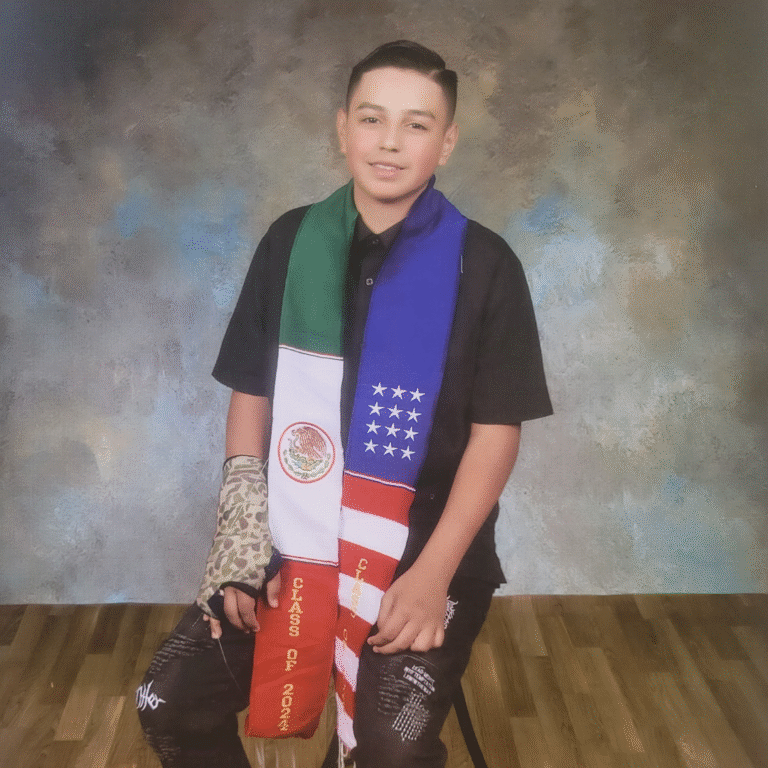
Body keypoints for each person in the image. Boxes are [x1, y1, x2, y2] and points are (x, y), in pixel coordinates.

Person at [137, 40, 552, 768]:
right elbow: (251, 393)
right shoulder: (290, 243)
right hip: (290, 541)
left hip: (425, 551)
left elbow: (497, 431)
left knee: (391, 747)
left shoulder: (486, 266)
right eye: (372, 118)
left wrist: (433, 576)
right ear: (342, 128)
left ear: (447, 142)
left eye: (417, 124)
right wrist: (242, 539)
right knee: (165, 700)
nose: (390, 142)